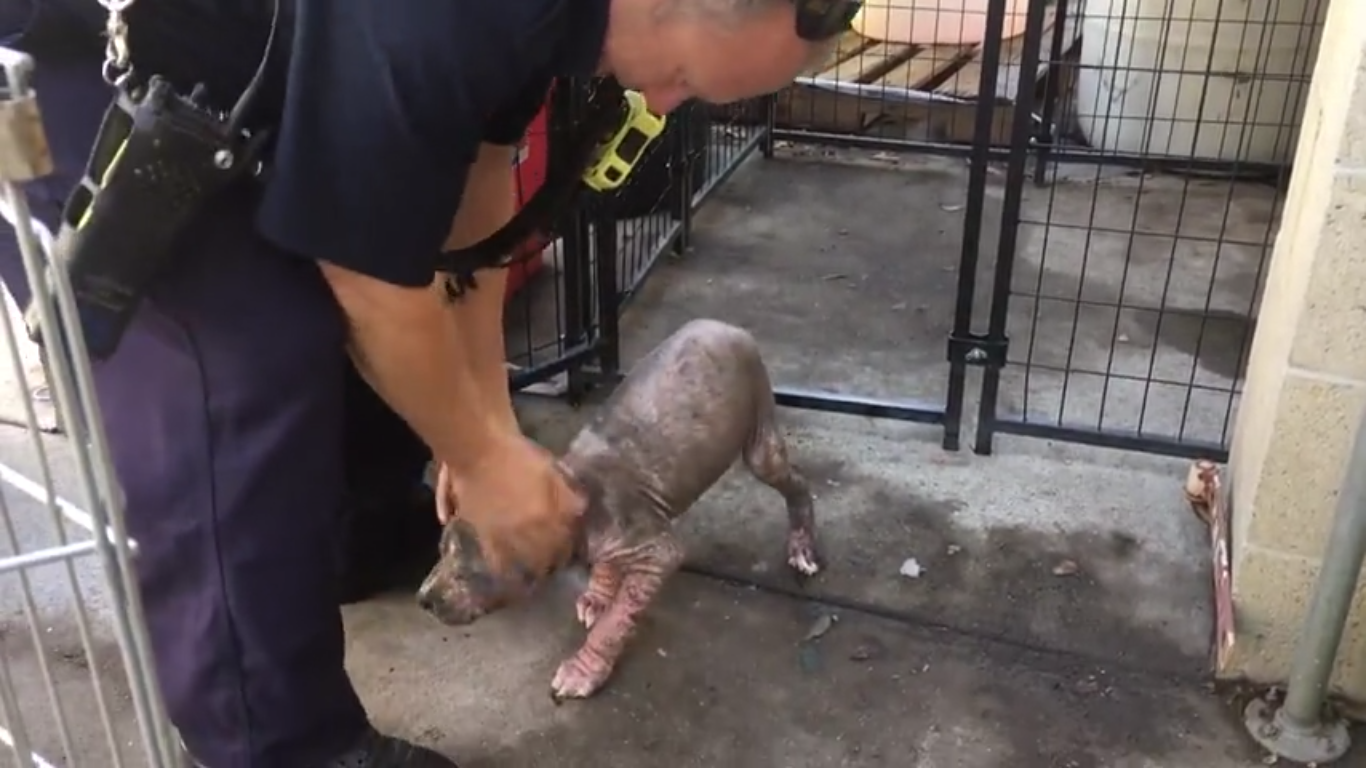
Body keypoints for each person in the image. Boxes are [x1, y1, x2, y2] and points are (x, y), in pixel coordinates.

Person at [0, 0, 846, 765]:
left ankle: (348, 537)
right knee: (243, 355)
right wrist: (477, 457)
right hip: (46, 65)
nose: (660, 107)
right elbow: (365, 275)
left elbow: (472, 195)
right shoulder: (451, 15)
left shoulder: (551, 24)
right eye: (685, 80)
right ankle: (275, 742)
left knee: (406, 313)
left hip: (222, 69)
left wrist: (486, 420)